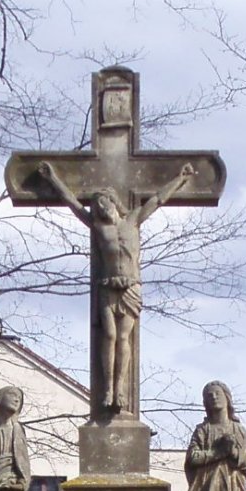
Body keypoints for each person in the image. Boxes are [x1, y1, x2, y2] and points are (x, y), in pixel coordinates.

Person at [36, 159, 195, 418]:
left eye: (104, 202)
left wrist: (179, 179)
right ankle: (107, 390)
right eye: (97, 205)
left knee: (123, 338)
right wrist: (53, 179)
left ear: (113, 202)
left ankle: (119, 388)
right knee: (108, 336)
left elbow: (156, 200)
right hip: (108, 288)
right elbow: (73, 204)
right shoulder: (99, 229)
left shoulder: (132, 221)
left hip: (130, 288)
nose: (100, 207)